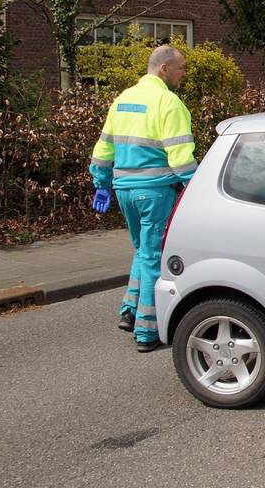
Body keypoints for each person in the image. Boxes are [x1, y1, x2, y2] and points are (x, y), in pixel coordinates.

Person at [89, 45, 196, 352]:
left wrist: (101, 184)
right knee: (152, 256)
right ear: (164, 68)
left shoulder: (123, 99)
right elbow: (181, 159)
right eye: (181, 68)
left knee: (142, 251)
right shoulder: (169, 102)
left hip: (124, 190)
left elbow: (103, 148)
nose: (183, 74)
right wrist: (197, 189)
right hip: (154, 192)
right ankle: (147, 330)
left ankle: (130, 310)